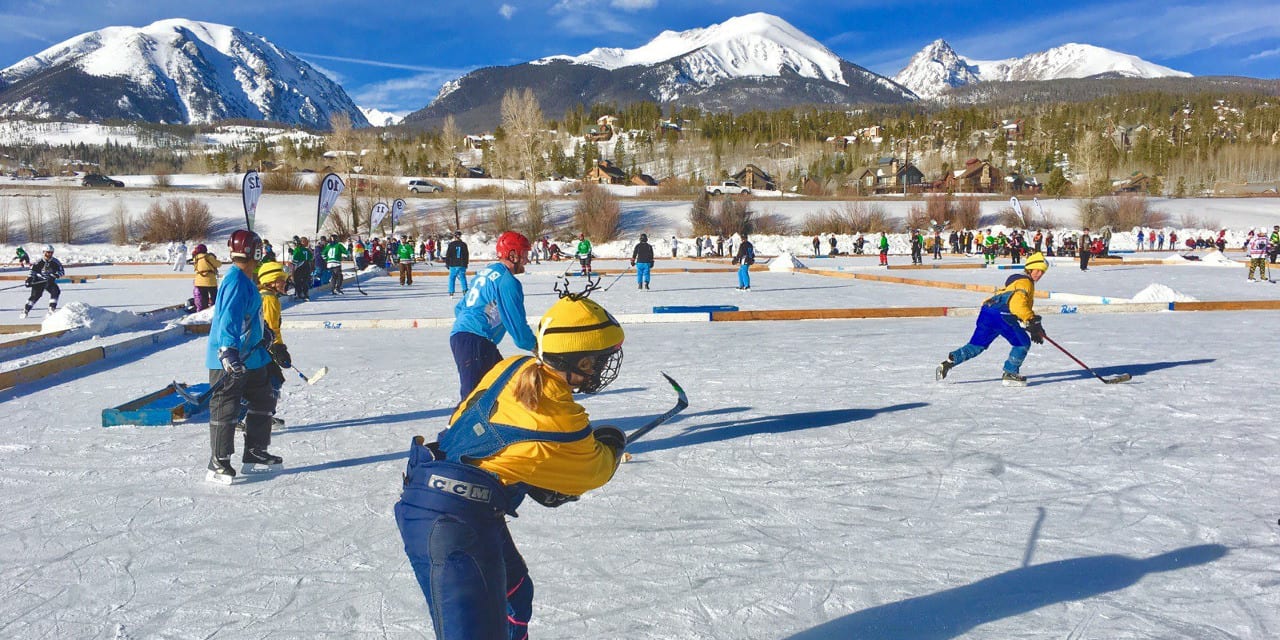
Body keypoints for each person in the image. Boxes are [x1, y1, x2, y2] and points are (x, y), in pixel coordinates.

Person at [395, 293, 627, 640]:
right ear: (575, 361)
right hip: (449, 523)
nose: (602, 368)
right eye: (597, 361)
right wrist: (613, 444)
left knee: (516, 596)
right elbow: (594, 472)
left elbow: (482, 433)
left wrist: (521, 476)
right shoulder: (562, 422)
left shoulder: (515, 366)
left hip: (454, 501)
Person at [204, 229, 282, 484]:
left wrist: (266, 334)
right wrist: (227, 350)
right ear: (256, 252)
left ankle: (254, 451)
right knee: (226, 408)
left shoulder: (248, 279)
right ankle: (218, 461)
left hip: (253, 356)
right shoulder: (236, 280)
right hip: (231, 359)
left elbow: (251, 317)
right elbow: (228, 317)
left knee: (263, 400)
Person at [937, 252, 1049, 387]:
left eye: (1042, 272)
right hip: (1001, 315)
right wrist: (1031, 320)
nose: (1039, 274)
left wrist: (1032, 324)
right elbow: (1017, 304)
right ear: (1029, 268)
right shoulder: (1025, 282)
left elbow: (1016, 305)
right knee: (1022, 342)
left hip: (987, 312)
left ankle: (950, 361)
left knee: (976, 346)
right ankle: (1010, 373)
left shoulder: (1016, 282)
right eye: (1037, 270)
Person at [450, 231, 537, 399]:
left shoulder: (486, 272)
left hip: (469, 339)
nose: (527, 260)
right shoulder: (508, 281)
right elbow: (516, 324)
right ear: (513, 255)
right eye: (524, 254)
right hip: (475, 342)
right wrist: (535, 346)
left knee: (501, 391)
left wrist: (476, 323)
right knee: (472, 401)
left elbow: (460, 308)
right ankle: (457, 426)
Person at [235, 260, 291, 431]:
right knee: (271, 381)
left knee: (270, 381)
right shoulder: (269, 300)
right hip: (259, 348)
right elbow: (268, 327)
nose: (285, 282)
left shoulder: (267, 296)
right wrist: (278, 347)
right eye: (281, 279)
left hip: (260, 347)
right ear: (272, 280)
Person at [20, 244, 64, 318]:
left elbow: (61, 271)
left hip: (49, 281)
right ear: (44, 252)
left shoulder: (55, 262)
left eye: (51, 252)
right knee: (35, 296)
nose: (49, 254)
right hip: (38, 281)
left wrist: (54, 276)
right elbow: (32, 272)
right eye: (48, 252)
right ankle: (26, 310)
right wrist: (29, 280)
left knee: (56, 291)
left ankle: (51, 309)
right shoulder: (38, 262)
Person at [191, 243, 221, 311]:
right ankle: (214, 310)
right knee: (214, 297)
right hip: (210, 280)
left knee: (203, 298)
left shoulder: (195, 258)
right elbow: (218, 264)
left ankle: (202, 311)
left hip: (199, 281)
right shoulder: (208, 257)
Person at [445, 231, 470, 297]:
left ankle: (451, 292)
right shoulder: (464, 244)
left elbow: (448, 255)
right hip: (461, 264)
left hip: (453, 264)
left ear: (454, 236)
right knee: (462, 277)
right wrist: (466, 263)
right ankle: (465, 290)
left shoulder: (451, 244)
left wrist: (447, 263)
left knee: (452, 278)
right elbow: (466, 255)